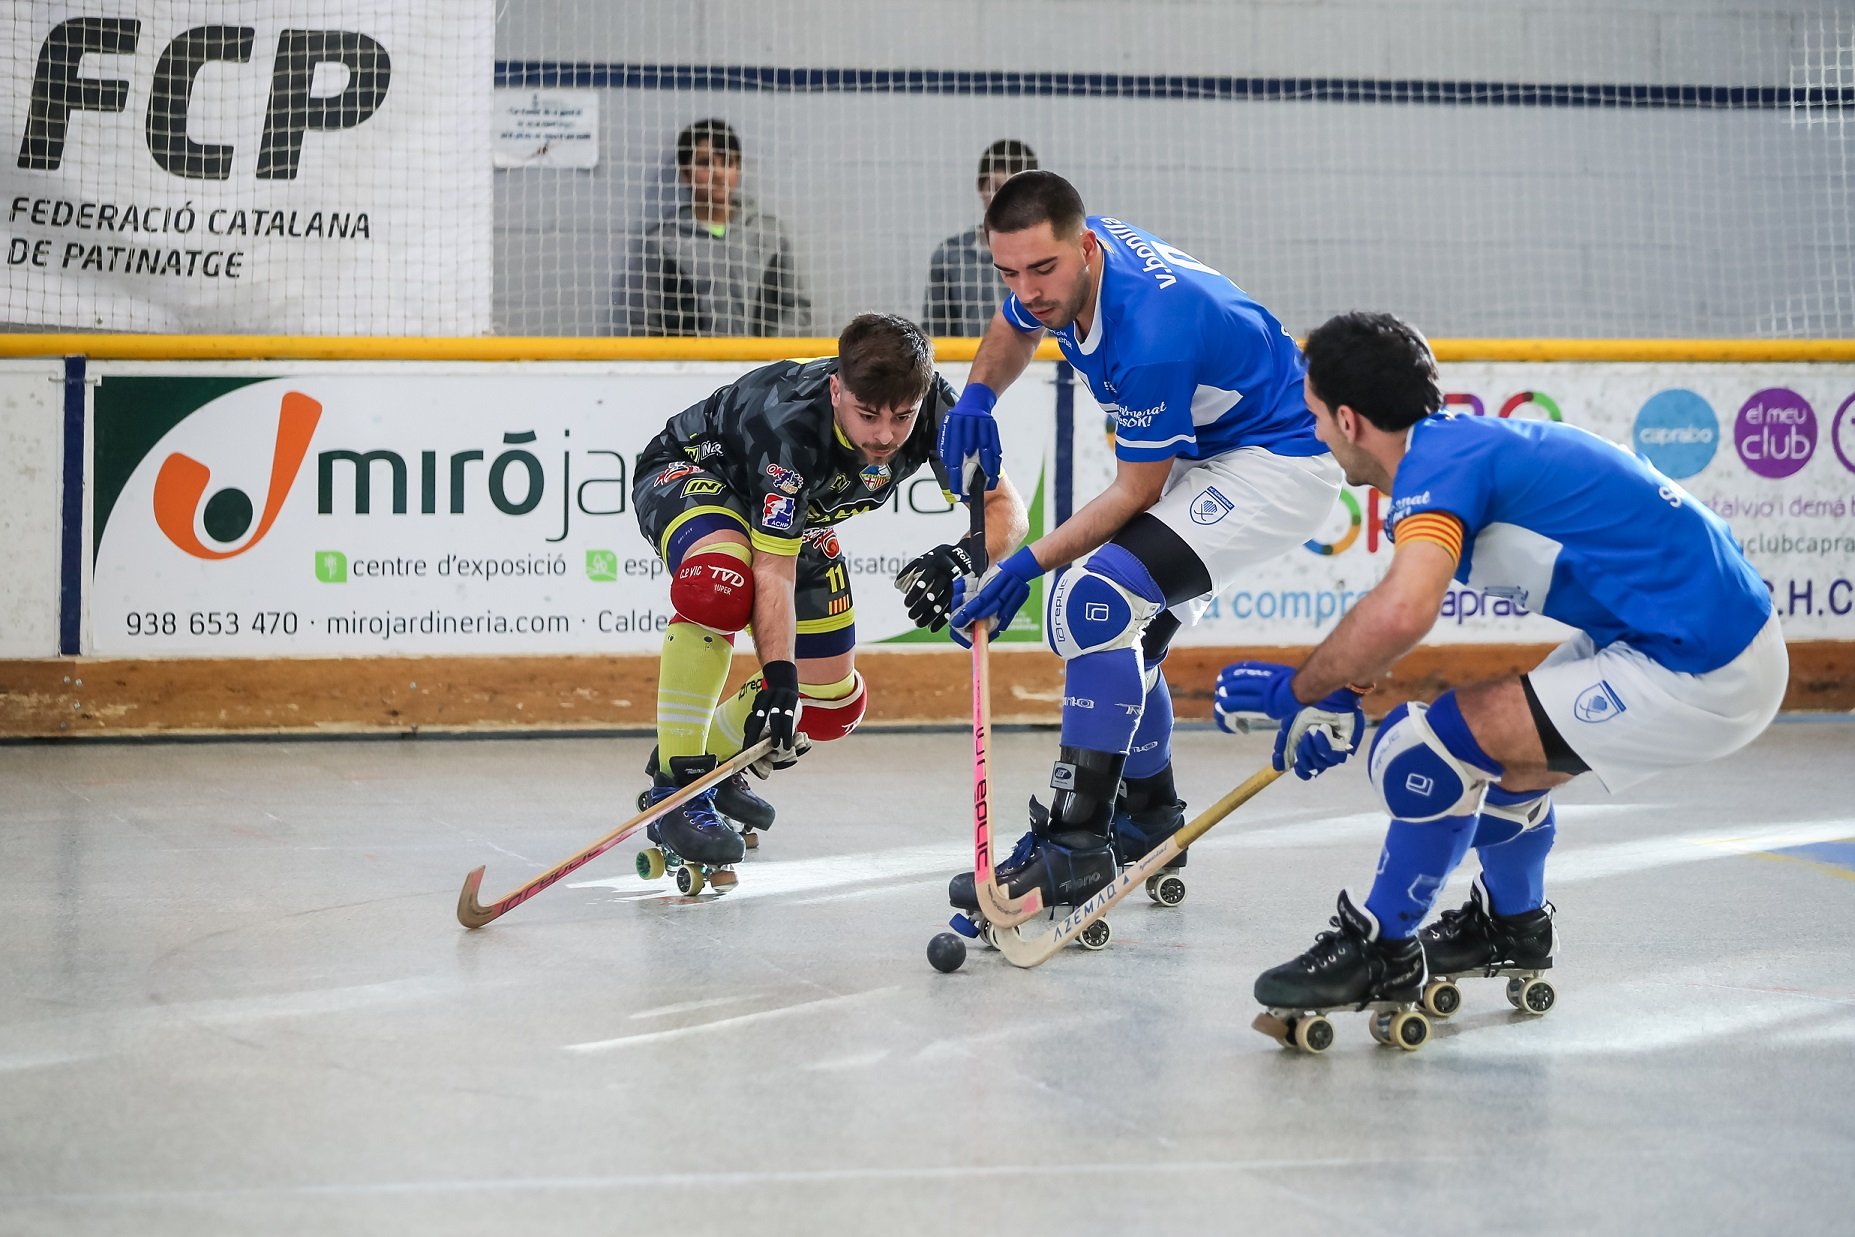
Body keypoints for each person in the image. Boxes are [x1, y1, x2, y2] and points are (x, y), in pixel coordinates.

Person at [1214, 310, 1786, 1046]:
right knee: (1508, 767)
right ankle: (1510, 928)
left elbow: (1401, 612)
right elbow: (1406, 606)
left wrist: (1295, 693)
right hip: (1680, 635)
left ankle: (1381, 949)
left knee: (1424, 751)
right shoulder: (1453, 451)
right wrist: (1339, 694)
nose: (1314, 431)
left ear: (1349, 420)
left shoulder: (1438, 467)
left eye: (1315, 413)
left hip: (1706, 664)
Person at [936, 169, 1342, 916]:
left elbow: (1135, 489)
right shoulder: (1061, 264)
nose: (1028, 289)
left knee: (1094, 601)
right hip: (1217, 445)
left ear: (1084, 248)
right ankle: (1149, 816)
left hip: (1277, 460)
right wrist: (977, 397)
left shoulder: (1149, 329)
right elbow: (1015, 324)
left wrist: (1023, 564)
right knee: (1126, 634)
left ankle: (1076, 844)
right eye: (1009, 271)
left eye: (1041, 269)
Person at [633, 312, 1027, 870]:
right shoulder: (789, 424)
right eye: (868, 415)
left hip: (800, 522)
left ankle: (716, 764)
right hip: (692, 478)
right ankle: (677, 787)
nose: (887, 435)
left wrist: (961, 555)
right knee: (721, 585)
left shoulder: (941, 410)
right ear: (838, 390)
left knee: (832, 703)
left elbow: (1007, 511)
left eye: (902, 417)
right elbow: (772, 569)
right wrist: (777, 678)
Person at [622, 118, 812, 337]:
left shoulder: (769, 233)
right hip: (694, 368)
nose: (719, 173)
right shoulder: (665, 242)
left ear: (737, 170)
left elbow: (797, 306)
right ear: (686, 174)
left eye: (727, 163)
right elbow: (645, 321)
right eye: (706, 163)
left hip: (762, 366)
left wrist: (770, 355)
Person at [921, 139, 1039, 337]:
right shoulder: (949, 255)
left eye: (1016, 190)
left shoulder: (1045, 254)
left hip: (1038, 365)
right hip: (967, 365)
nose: (1005, 199)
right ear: (980, 186)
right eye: (996, 187)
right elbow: (935, 332)